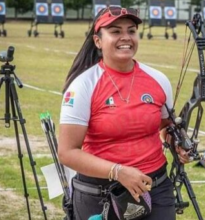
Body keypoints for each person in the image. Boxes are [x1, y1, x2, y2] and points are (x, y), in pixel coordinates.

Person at [58, 6, 190, 220]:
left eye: (131, 30)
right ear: (98, 40)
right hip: (101, 195)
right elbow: (67, 152)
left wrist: (177, 144)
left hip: (155, 189)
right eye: (116, 31)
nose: (126, 37)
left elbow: (165, 125)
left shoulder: (157, 79)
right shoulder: (83, 86)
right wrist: (118, 171)